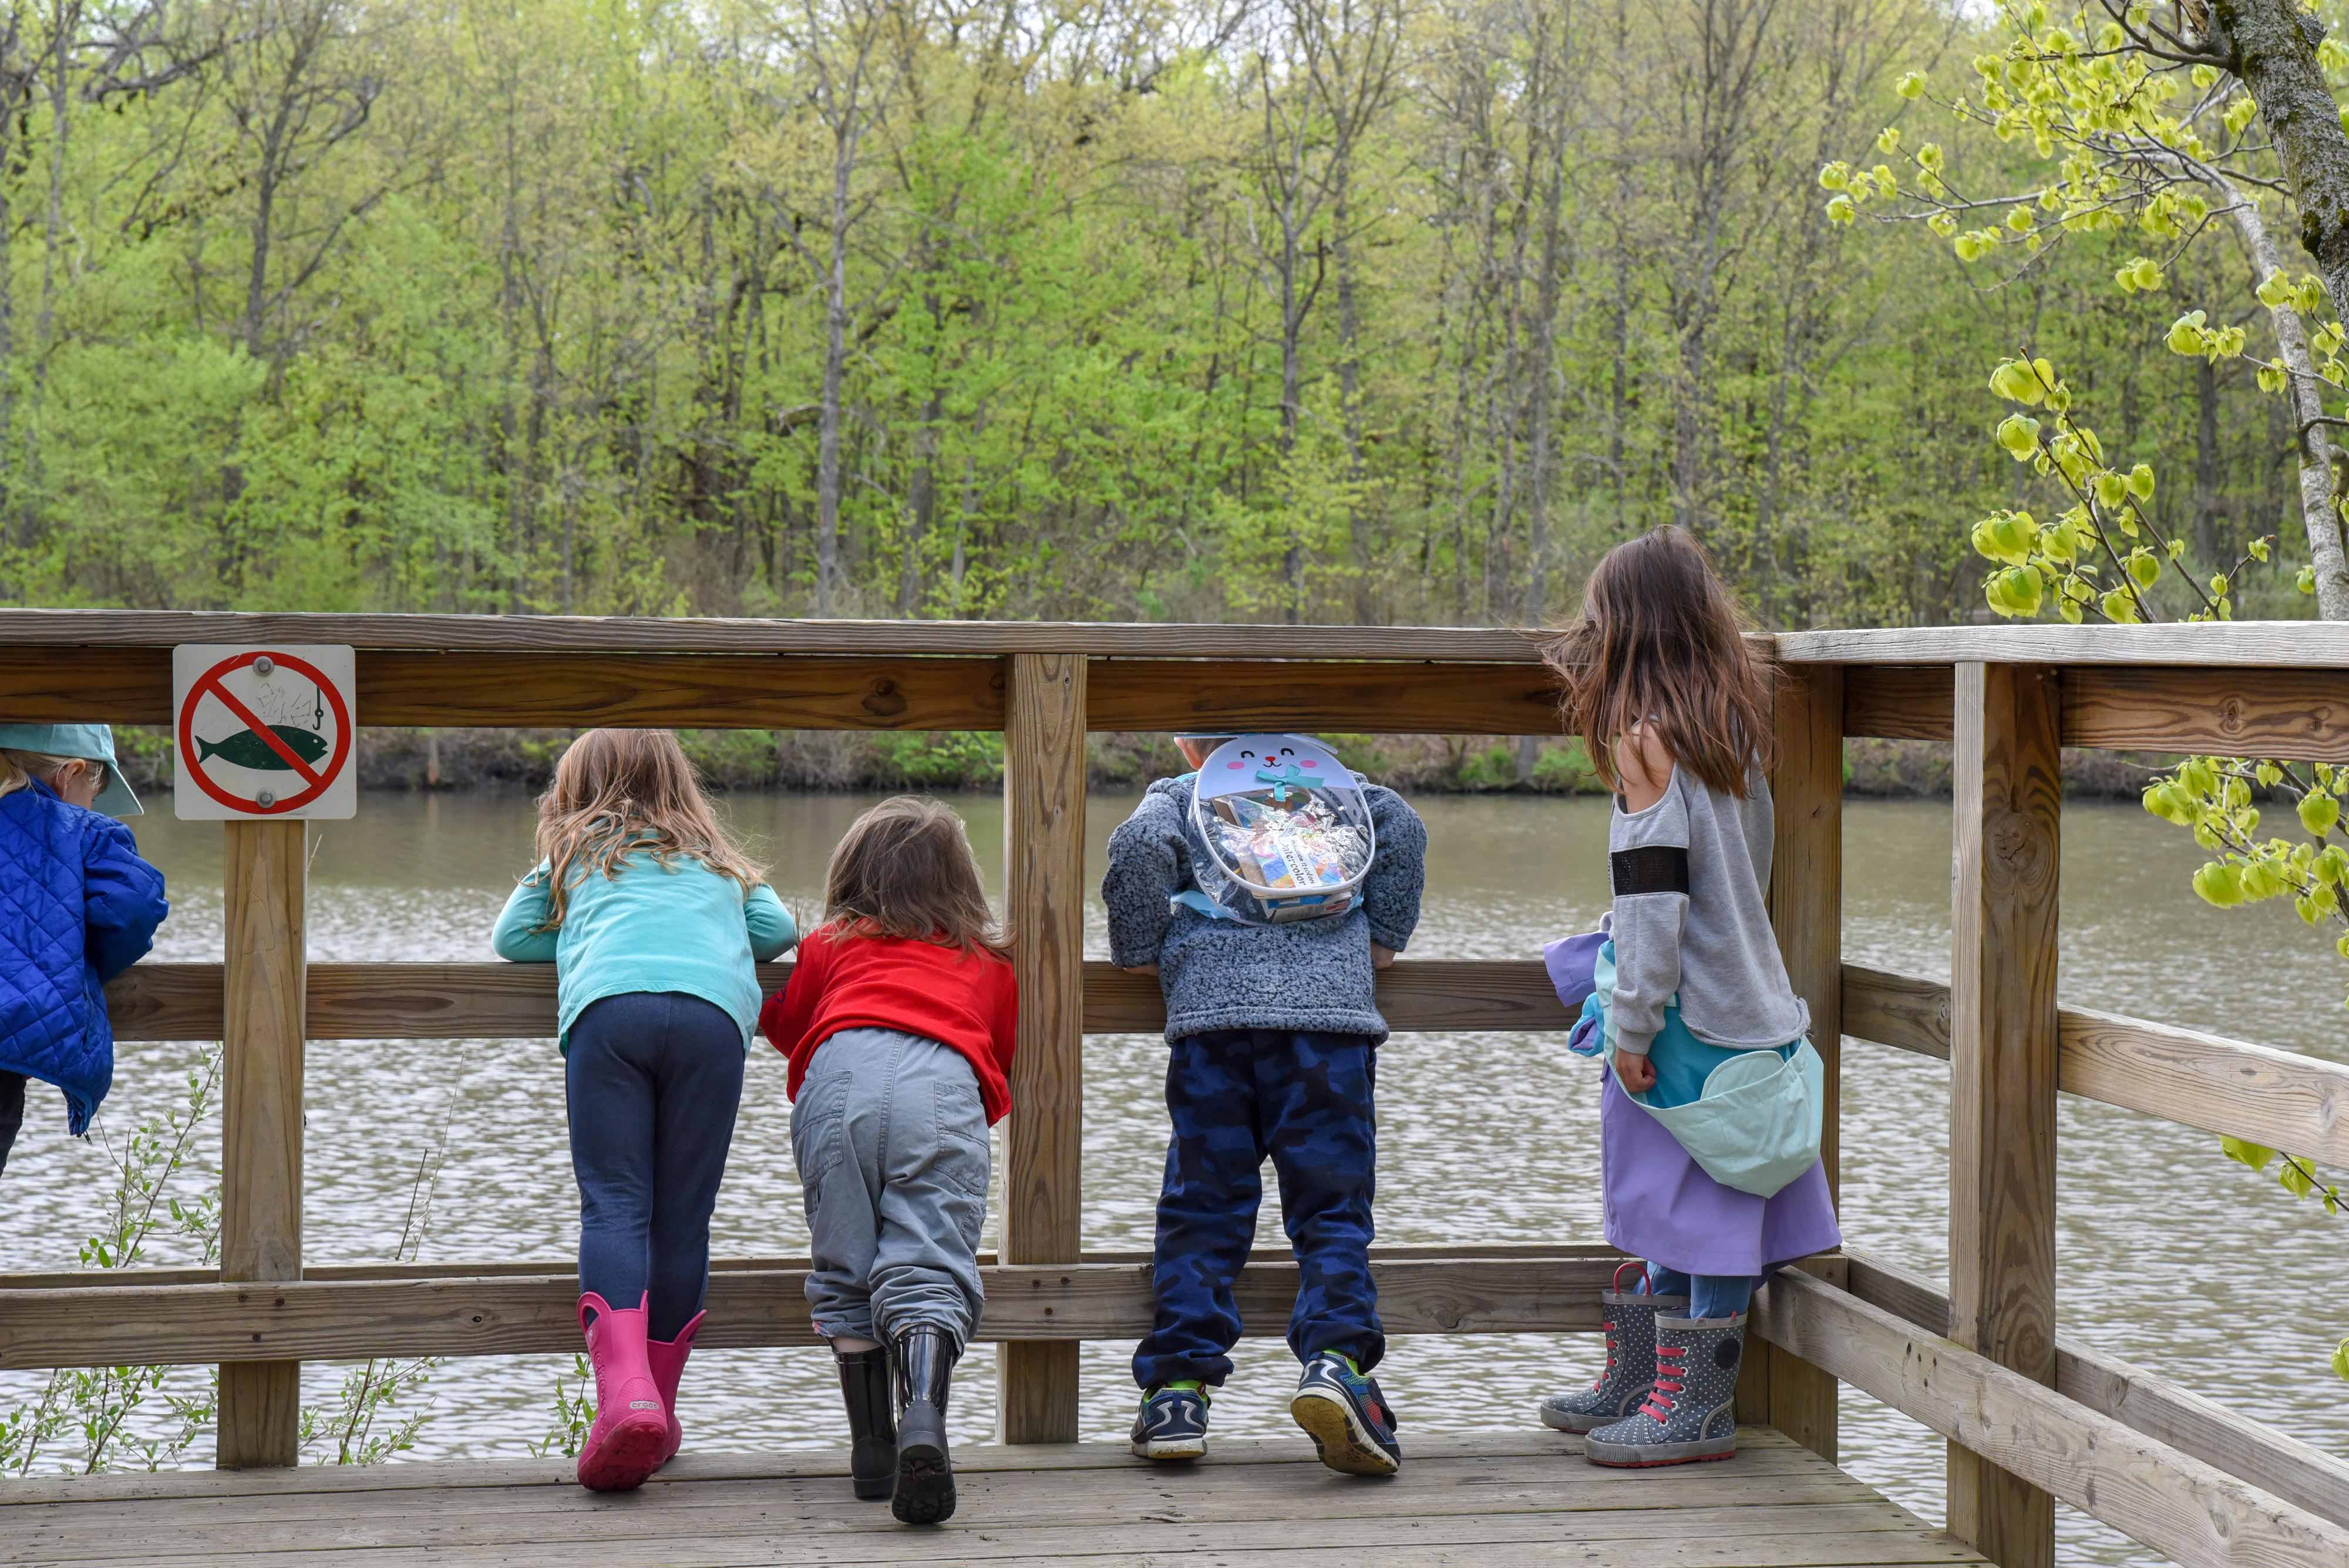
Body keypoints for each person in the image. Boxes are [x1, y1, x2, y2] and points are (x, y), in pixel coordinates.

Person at [1534, 526, 1840, 1468]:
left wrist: (1631, 1022)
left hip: (1684, 1019)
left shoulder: (1646, 752)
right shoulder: (1733, 735)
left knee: (1695, 1206)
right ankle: (1648, 1378)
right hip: (1750, 1005)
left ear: (1623, 639)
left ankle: (1692, 1406)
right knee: (1686, 1192)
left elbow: (1653, 911)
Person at [1104, 739, 1426, 1477]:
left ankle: (1176, 1392)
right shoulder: (1349, 793)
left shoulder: (1178, 796)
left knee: (1202, 1210)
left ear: (1191, 744)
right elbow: (1403, 829)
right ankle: (1337, 1363)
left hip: (1213, 1032)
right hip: (1329, 1033)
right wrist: (1382, 938)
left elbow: (1137, 847)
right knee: (1331, 1212)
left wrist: (1138, 950)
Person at [491, 729, 796, 1493]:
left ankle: (626, 1398)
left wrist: (584, 929)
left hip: (611, 1015)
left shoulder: (574, 857)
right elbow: (780, 932)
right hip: (712, 1022)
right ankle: (658, 1406)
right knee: (683, 1219)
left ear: (573, 793)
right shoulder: (723, 865)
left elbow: (512, 938)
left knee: (615, 1206)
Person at [759, 797, 1015, 1526]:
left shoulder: (829, 944)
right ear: (959, 881)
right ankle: (925, 1421)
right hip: (942, 1084)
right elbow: (1002, 1056)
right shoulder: (988, 961)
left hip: (838, 1077)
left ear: (851, 875)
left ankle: (870, 1451)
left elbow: (786, 1022)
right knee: (929, 1264)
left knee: (845, 1266)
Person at [0, 725, 168, 1179]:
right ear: (71, 774)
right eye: (95, 792)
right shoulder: (81, 831)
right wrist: (66, 961)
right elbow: (133, 907)